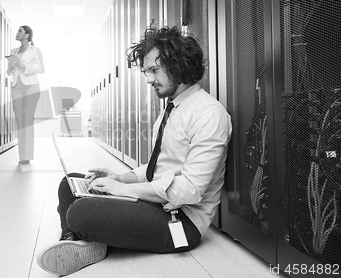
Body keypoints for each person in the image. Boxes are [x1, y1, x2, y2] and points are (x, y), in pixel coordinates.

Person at [36, 25, 232, 276]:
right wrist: (121, 178)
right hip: (154, 203)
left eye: (154, 70)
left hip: (180, 220)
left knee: (81, 212)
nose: (149, 79)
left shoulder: (208, 114)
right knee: (71, 183)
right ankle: (77, 242)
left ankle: (81, 236)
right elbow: (158, 168)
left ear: (179, 65)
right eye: (146, 71)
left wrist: (124, 190)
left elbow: (190, 190)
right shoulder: (170, 110)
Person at [7, 25, 45, 165]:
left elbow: (41, 69)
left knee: (27, 120)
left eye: (20, 31)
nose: (17, 33)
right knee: (19, 120)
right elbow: (9, 72)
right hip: (16, 86)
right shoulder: (13, 51)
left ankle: (27, 156)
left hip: (31, 86)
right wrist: (11, 65)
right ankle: (21, 155)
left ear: (27, 35)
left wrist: (25, 67)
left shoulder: (35, 50)